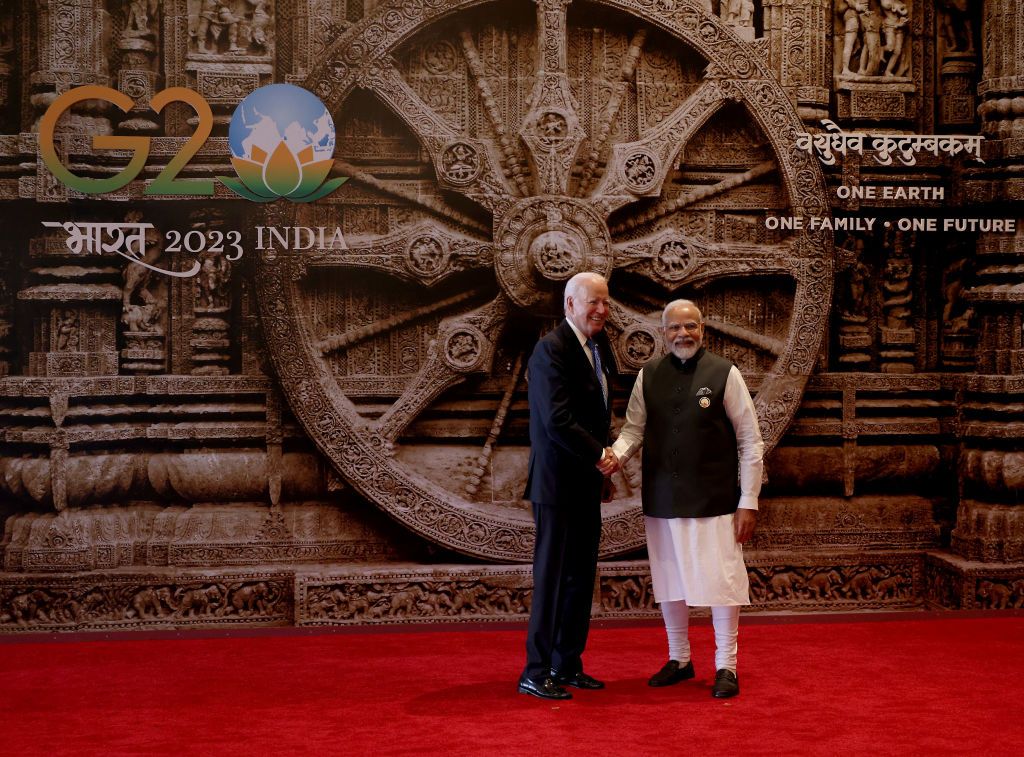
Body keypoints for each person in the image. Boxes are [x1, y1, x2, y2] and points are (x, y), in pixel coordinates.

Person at [600, 299, 764, 698]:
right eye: (675, 327)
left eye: (690, 326)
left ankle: (727, 665)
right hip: (662, 499)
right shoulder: (649, 375)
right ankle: (680, 658)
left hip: (715, 500)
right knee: (670, 581)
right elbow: (634, 430)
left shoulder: (725, 373)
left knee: (722, 583)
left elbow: (750, 441)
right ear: (663, 332)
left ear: (702, 329)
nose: (683, 334)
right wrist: (615, 456)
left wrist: (749, 501)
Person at [519, 271, 614, 700]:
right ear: (570, 305)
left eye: (606, 303)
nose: (600, 310)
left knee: (580, 577)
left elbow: (596, 413)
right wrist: (600, 454)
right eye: (592, 301)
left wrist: (600, 463)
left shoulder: (598, 347)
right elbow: (557, 420)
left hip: (585, 483)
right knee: (553, 577)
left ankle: (567, 663)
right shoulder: (549, 351)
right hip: (557, 484)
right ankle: (535, 671)